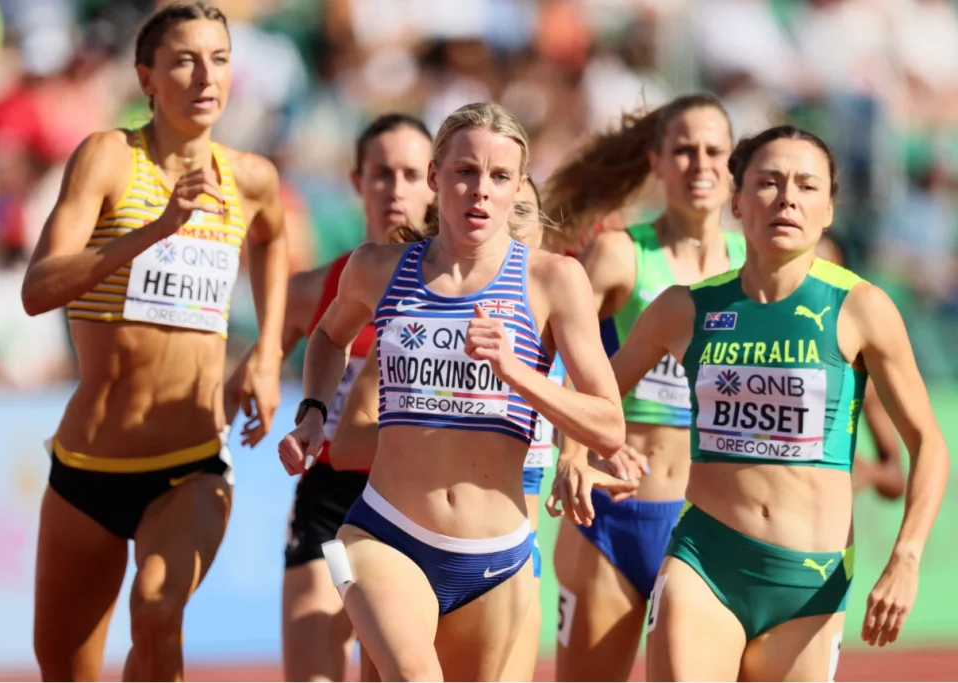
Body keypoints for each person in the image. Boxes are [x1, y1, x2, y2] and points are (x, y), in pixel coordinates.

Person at [558, 124, 949, 682]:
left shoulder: (861, 308)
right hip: (704, 560)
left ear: (830, 209)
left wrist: (906, 556)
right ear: (736, 202)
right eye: (768, 182)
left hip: (811, 582)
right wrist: (574, 456)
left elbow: (928, 445)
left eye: (806, 185)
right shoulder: (684, 309)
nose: (787, 197)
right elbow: (594, 397)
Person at [279, 102, 636, 683]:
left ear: (518, 186)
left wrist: (518, 371)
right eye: (465, 172)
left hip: (497, 558)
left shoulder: (554, 281)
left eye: (499, 177)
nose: (480, 191)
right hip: (383, 532)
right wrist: (314, 412)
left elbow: (607, 425)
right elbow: (326, 336)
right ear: (435, 177)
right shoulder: (376, 269)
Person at [20, 3, 289, 682]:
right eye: (184, 60)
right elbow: (39, 288)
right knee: (63, 668)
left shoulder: (250, 178)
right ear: (147, 77)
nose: (206, 76)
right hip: (86, 469)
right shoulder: (110, 157)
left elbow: (274, 237)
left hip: (192, 464)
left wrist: (267, 352)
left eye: (220, 59)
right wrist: (155, 229)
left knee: (158, 610)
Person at [541, 93, 745, 682]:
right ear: (655, 161)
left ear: (733, 164)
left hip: (708, 528)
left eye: (713, 151)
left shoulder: (752, 268)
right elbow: (545, 356)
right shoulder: (622, 254)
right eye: (682, 151)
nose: (699, 164)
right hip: (611, 516)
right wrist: (572, 451)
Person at [328, 177, 561, 683]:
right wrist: (433, 429)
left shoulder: (559, 327)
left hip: (509, 559)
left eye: (524, 211)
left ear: (541, 229)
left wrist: (581, 462)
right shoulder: (415, 323)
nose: (509, 218)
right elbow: (345, 444)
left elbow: (596, 421)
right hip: (398, 535)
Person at [274, 113, 435, 683]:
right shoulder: (313, 290)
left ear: (434, 181)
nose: (395, 188)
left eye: (411, 173)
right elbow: (252, 365)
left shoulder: (457, 285)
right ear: (357, 182)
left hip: (419, 494)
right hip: (331, 490)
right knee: (312, 667)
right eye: (381, 173)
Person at [815, 233, 905, 501]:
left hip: (821, 532)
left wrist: (869, 472)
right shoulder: (750, 343)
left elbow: (896, 480)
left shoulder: (857, 370)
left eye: (827, 277)